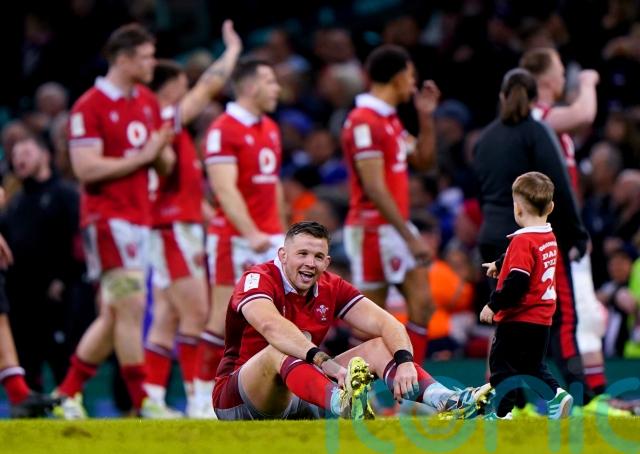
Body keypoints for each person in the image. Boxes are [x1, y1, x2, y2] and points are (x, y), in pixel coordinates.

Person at [212, 221, 493, 420]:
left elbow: (387, 323)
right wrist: (325, 362)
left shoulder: (331, 285)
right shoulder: (257, 279)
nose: (310, 263)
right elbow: (271, 327)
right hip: (238, 398)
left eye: (318, 257)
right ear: (282, 256)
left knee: (378, 346)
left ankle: (449, 401)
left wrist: (405, 360)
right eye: (302, 254)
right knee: (280, 348)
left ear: (327, 262)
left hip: (298, 394)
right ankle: (343, 403)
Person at [53, 23, 176, 419]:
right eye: (146, 57)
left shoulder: (147, 102)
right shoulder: (89, 106)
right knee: (132, 305)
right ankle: (143, 401)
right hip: (108, 219)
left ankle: (65, 393)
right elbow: (85, 168)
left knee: (115, 313)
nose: (153, 64)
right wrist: (143, 156)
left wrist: (161, 151)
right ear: (123, 60)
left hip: (141, 217)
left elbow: (165, 163)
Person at [473, 68, 593, 414]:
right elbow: (560, 186)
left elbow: (480, 189)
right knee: (537, 324)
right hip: (533, 235)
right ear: (534, 97)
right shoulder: (538, 133)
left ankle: (510, 406)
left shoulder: (485, 138)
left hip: (494, 234)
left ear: (502, 96)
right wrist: (576, 231)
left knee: (504, 327)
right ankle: (558, 396)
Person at [519, 48, 627, 415]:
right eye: (561, 70)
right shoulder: (538, 118)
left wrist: (578, 227)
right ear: (546, 78)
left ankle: (589, 393)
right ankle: (582, 397)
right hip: (550, 232)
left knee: (575, 314)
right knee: (563, 315)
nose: (565, 76)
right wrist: (589, 81)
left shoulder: (547, 122)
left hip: (562, 228)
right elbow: (585, 114)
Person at [143, 20, 242, 418]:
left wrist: (213, 220)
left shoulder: (173, 133)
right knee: (198, 313)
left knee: (168, 315)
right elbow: (209, 86)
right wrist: (231, 51)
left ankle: (152, 398)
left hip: (176, 226)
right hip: (169, 229)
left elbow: (186, 193)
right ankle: (197, 397)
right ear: (168, 89)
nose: (188, 91)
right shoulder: (162, 118)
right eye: (182, 85)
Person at [341, 45, 440, 364]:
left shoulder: (389, 120)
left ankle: (414, 387)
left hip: (394, 227)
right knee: (367, 323)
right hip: (371, 229)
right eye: (410, 77)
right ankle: (354, 387)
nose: (413, 84)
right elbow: (373, 187)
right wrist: (411, 237)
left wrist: (425, 116)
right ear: (397, 78)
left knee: (423, 305)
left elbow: (424, 161)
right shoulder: (363, 121)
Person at [199, 58, 286, 407]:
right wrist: (250, 232)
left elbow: (273, 184)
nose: (277, 88)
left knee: (275, 319)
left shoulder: (271, 128)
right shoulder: (223, 129)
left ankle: (263, 396)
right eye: (270, 81)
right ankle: (201, 395)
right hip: (233, 239)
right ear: (250, 86)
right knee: (223, 317)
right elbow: (224, 189)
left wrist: (282, 232)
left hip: (270, 237)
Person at [479, 172, 573, 419]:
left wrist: (493, 305)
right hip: (542, 320)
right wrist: (500, 264)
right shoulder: (548, 237)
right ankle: (556, 395)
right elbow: (528, 260)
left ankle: (502, 414)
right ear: (550, 207)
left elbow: (518, 282)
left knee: (501, 366)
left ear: (517, 209)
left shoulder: (523, 241)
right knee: (532, 366)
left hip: (518, 318)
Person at [2, 136, 81, 390]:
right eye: (15, 155)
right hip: (21, 299)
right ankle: (30, 405)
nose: (19, 159)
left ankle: (69, 401)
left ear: (45, 156)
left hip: (59, 297)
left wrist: (63, 279)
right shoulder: (15, 202)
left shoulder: (66, 194)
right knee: (27, 364)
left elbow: (78, 243)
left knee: (62, 360)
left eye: (26, 152)